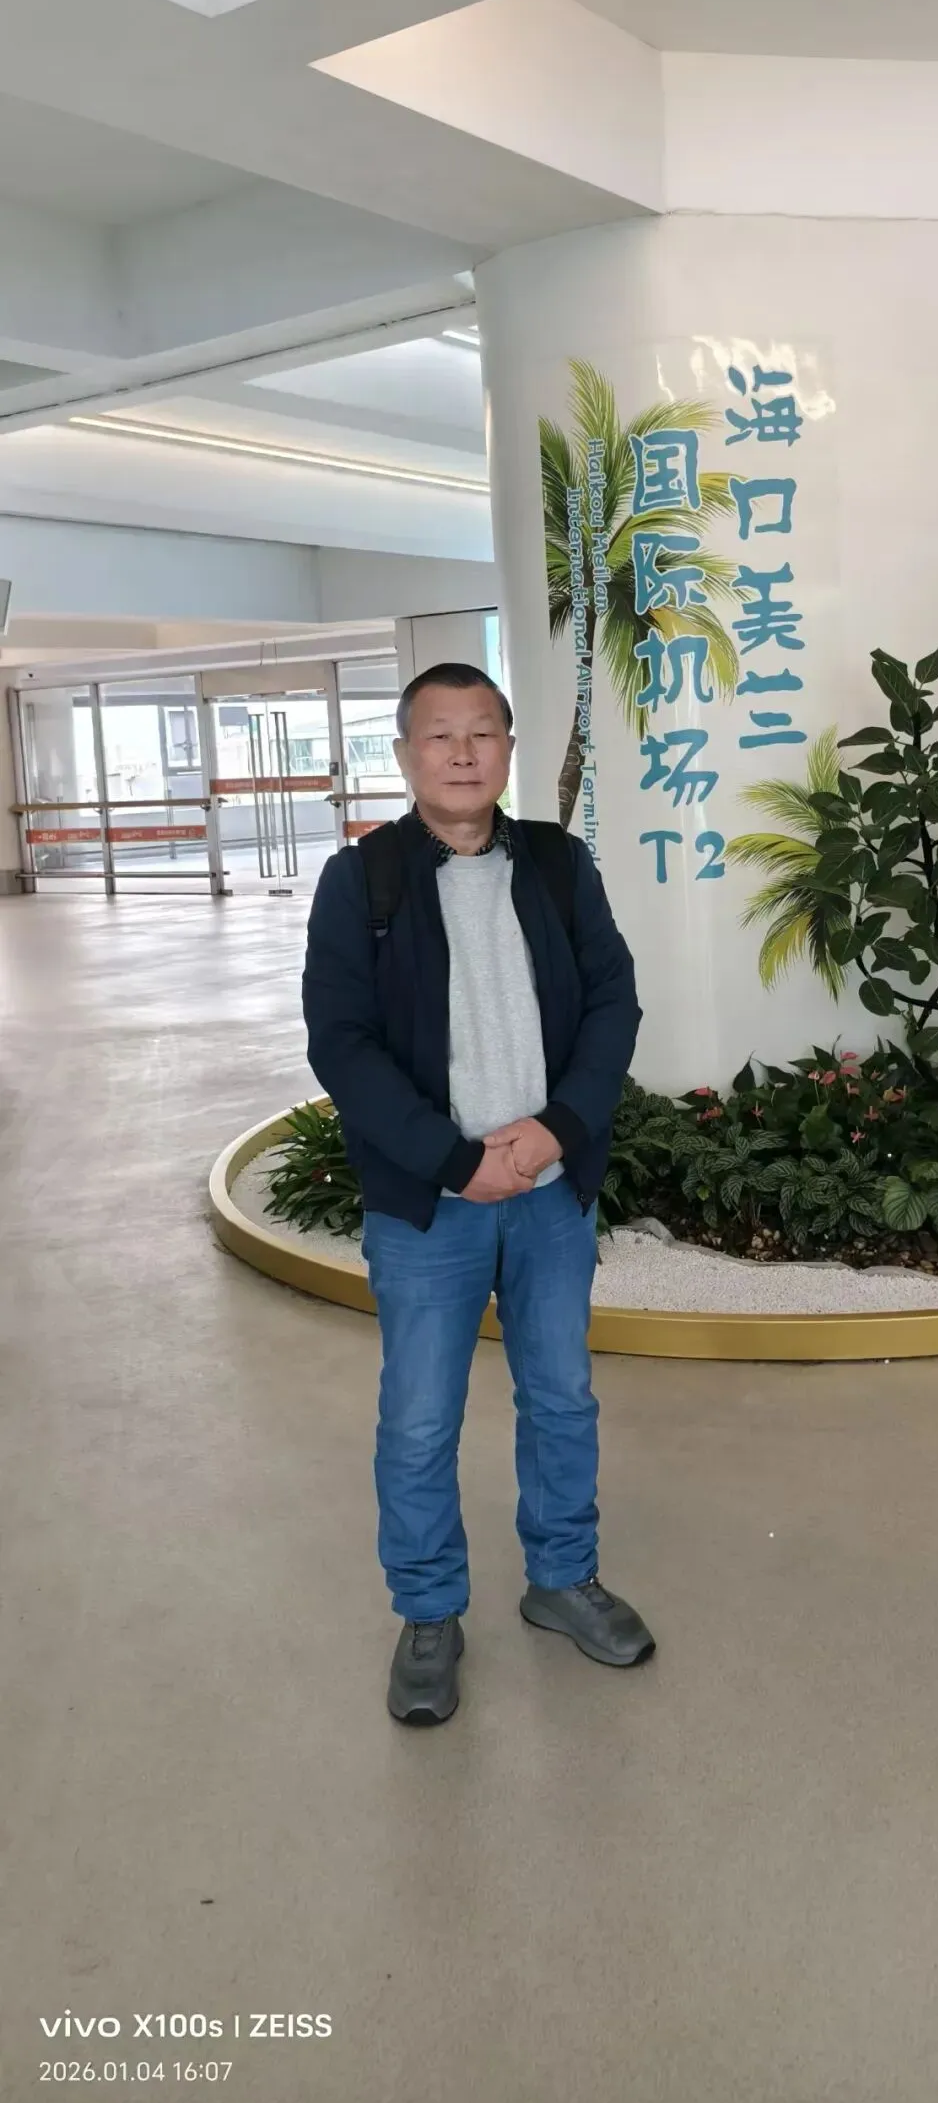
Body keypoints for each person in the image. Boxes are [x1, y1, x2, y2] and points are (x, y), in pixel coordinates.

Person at [302, 660, 654, 1725]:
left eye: (482, 733)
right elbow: (342, 1045)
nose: (463, 753)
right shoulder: (362, 881)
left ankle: (563, 1578)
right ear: (406, 755)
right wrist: (456, 1162)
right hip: (430, 1205)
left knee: (562, 1398)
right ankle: (428, 1613)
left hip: (549, 1191)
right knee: (419, 1419)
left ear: (507, 748)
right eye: (439, 734)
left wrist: (557, 1131)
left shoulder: (558, 864)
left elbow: (613, 1003)